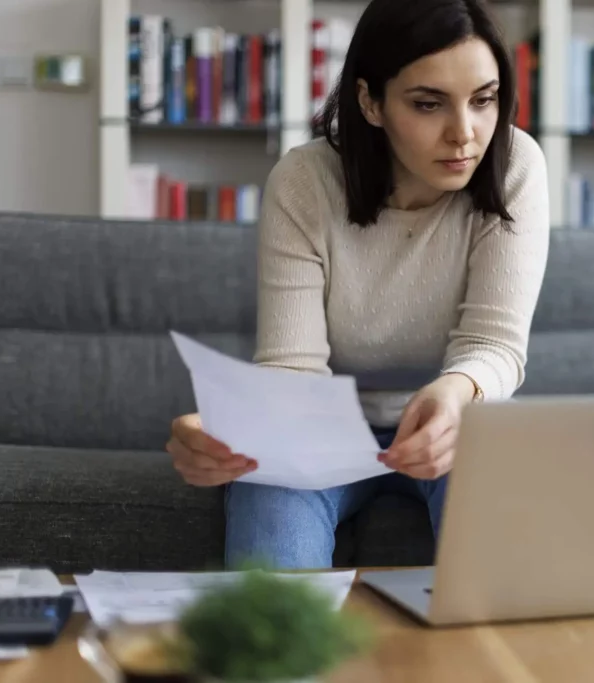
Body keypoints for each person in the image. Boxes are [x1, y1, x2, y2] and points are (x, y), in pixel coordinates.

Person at [165, 0, 550, 570]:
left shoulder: (515, 165)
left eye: (484, 100)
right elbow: (293, 366)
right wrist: (228, 432)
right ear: (371, 102)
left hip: (460, 422)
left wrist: (455, 392)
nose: (465, 134)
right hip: (319, 430)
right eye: (428, 104)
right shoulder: (304, 183)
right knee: (272, 563)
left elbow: (494, 346)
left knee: (501, 572)